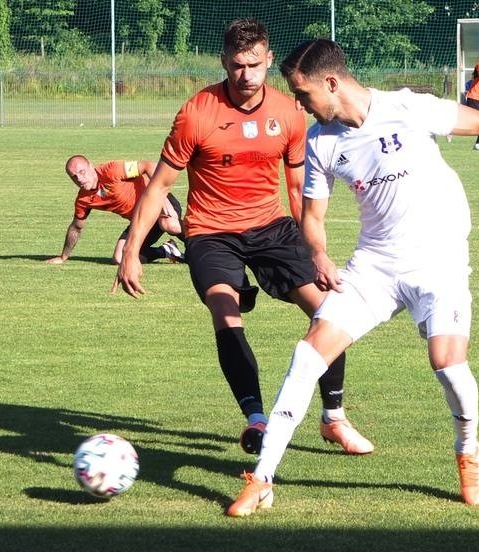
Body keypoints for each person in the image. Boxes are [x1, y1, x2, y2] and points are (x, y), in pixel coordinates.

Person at [227, 38, 479, 517]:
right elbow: (313, 216)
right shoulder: (321, 140)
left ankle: (469, 451)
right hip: (375, 266)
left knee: (448, 365)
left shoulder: (407, 108)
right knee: (308, 355)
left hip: (438, 261)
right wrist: (321, 255)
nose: (301, 104)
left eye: (304, 94)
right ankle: (262, 478)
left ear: (331, 83)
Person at [115, 19, 373, 457]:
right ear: (224, 62)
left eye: (255, 64)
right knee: (224, 308)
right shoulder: (197, 112)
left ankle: (333, 417)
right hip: (211, 231)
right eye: (237, 65)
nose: (247, 74)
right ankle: (256, 419)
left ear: (269, 60)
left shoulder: (289, 112)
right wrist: (132, 253)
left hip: (271, 227)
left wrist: (317, 253)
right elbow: (157, 186)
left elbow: (297, 191)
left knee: (329, 310)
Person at [46, 156, 184, 265]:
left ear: (91, 166)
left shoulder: (112, 170)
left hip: (159, 204)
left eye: (82, 172)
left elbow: (148, 165)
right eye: (74, 177)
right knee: (120, 258)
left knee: (170, 225)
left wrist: (162, 197)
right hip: (141, 221)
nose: (80, 179)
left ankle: (202, 244)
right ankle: (166, 251)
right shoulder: (84, 200)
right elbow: (76, 227)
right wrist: (63, 257)